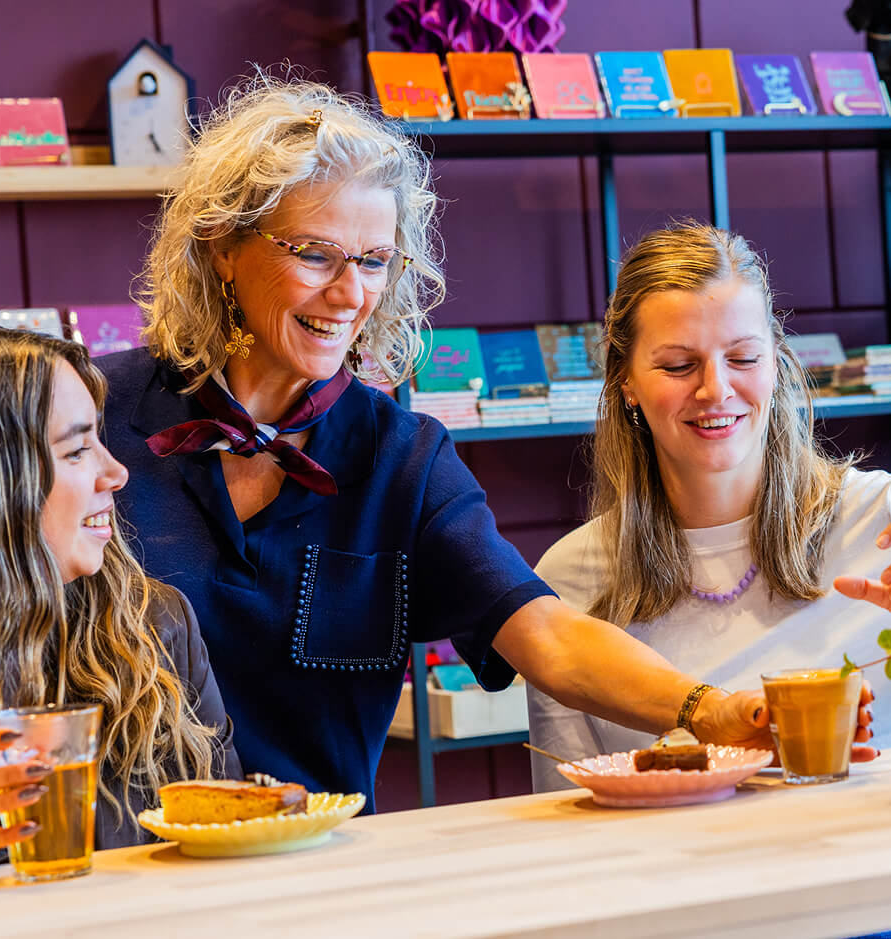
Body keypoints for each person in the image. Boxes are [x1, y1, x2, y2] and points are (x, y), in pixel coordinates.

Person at [97, 76, 836, 810]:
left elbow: (548, 636)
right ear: (224, 245)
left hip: (317, 861)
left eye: (375, 260)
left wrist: (710, 710)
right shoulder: (92, 418)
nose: (351, 294)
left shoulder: (403, 458)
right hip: (121, 862)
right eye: (315, 254)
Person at [528, 223, 891, 797]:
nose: (715, 389)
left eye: (743, 357)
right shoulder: (567, 580)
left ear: (776, 362)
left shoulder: (885, 519)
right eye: (678, 366)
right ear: (625, 381)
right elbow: (568, 806)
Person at [0, 325, 238, 880]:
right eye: (77, 451)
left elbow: (231, 827)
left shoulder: (157, 625)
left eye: (99, 439)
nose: (116, 473)